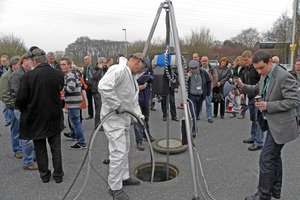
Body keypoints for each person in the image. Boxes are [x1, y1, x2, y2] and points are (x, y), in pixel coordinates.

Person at [237, 49, 300, 200]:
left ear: (270, 61)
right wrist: (243, 86)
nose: (259, 72)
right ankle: (275, 191)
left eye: (261, 68)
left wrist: (268, 106)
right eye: (256, 68)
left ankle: (263, 195)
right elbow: (258, 89)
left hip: (282, 126)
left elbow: (294, 101)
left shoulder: (285, 76)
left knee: (265, 159)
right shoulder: (265, 75)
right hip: (272, 124)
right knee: (274, 157)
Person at [98, 53, 145, 200]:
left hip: (123, 119)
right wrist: (116, 105)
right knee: (118, 152)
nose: (141, 71)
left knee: (125, 149)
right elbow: (103, 86)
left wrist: (140, 118)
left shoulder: (131, 77)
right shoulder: (119, 70)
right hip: (113, 119)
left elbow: (133, 102)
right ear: (137, 61)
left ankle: (124, 177)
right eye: (142, 68)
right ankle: (114, 187)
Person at [16, 48, 64, 183]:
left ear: (34, 61)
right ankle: (58, 175)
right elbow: (59, 93)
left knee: (40, 149)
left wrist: (25, 109)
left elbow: (20, 100)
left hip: (36, 118)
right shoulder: (58, 74)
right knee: (56, 148)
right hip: (54, 116)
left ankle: (45, 175)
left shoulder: (28, 77)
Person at [10, 53, 38, 170]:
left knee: (31, 134)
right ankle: (28, 162)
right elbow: (17, 94)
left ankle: (32, 157)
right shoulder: (17, 74)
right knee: (27, 135)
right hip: (21, 108)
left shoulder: (27, 73)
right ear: (25, 60)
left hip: (27, 108)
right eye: (31, 61)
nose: (33, 63)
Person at [60, 57, 87, 149]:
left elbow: (70, 88)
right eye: (61, 65)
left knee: (76, 123)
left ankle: (82, 142)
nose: (62, 66)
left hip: (73, 102)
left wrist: (62, 91)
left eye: (64, 64)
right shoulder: (72, 74)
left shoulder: (70, 75)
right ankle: (81, 141)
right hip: (74, 101)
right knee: (76, 122)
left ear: (69, 65)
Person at [240, 50, 264, 151]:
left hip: (257, 97)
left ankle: (259, 141)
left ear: (251, 58)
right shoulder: (246, 70)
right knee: (253, 119)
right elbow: (245, 83)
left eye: (246, 60)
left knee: (258, 120)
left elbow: (261, 82)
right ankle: (253, 137)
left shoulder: (256, 69)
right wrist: (242, 92)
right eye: (243, 60)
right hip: (250, 97)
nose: (244, 62)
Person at [0, 56, 23, 159]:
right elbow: (4, 94)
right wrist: (13, 106)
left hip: (22, 107)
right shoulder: (6, 77)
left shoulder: (21, 74)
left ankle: (24, 148)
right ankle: (17, 149)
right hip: (13, 108)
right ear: (13, 65)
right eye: (19, 65)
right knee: (15, 129)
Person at [133, 56, 155, 151]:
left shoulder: (149, 71)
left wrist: (148, 81)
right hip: (137, 99)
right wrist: (138, 86)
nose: (144, 68)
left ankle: (147, 135)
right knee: (138, 120)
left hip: (146, 97)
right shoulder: (133, 72)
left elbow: (152, 79)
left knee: (146, 118)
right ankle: (139, 141)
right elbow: (130, 84)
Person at [187, 60, 211, 137]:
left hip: (200, 96)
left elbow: (208, 82)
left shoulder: (203, 73)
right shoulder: (187, 73)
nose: (193, 70)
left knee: (197, 114)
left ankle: (195, 123)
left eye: (195, 68)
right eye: (191, 68)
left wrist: (208, 92)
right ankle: (194, 129)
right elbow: (181, 83)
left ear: (198, 67)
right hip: (191, 96)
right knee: (193, 113)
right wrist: (187, 77)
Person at [90, 57, 108, 127]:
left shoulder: (105, 68)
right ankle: (97, 125)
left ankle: (103, 123)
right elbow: (96, 77)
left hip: (104, 90)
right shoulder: (93, 68)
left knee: (104, 107)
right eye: (105, 63)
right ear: (101, 63)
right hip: (96, 90)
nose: (106, 64)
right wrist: (100, 69)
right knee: (99, 107)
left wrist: (105, 68)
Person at [199, 55, 218, 123]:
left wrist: (211, 86)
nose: (204, 62)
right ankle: (198, 115)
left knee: (208, 103)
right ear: (201, 61)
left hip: (208, 89)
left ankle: (209, 116)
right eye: (203, 61)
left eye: (205, 61)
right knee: (199, 103)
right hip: (200, 89)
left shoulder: (212, 69)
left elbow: (215, 79)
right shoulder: (198, 68)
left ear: (208, 61)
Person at [0, 55, 13, 126]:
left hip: (11, 89)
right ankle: (8, 120)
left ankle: (11, 119)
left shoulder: (11, 68)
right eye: (1, 61)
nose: (2, 62)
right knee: (4, 107)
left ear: (8, 60)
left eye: (4, 61)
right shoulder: (0, 69)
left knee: (10, 106)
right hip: (3, 90)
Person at [82, 55, 94, 120]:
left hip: (93, 85)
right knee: (89, 101)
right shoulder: (85, 67)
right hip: (87, 85)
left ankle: (99, 114)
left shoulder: (93, 67)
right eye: (84, 59)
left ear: (89, 60)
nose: (85, 61)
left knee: (96, 101)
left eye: (86, 59)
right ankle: (90, 114)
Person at [289, 58, 300, 124]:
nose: (298, 66)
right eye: (297, 64)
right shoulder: (290, 74)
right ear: (294, 65)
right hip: (293, 97)